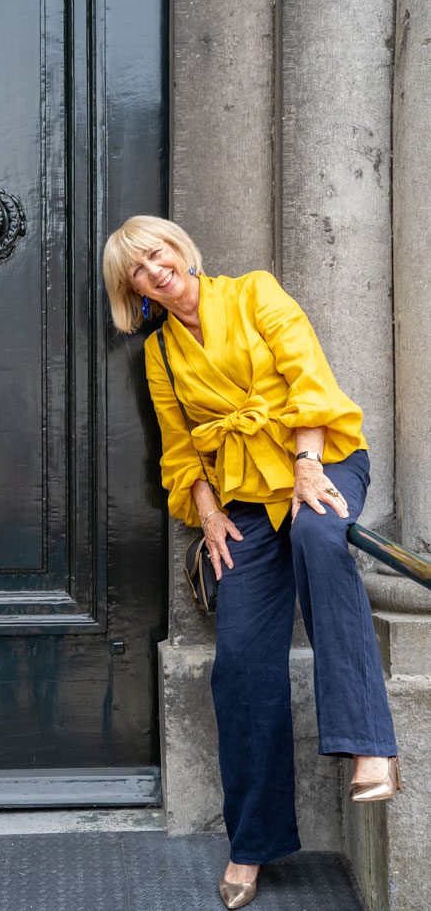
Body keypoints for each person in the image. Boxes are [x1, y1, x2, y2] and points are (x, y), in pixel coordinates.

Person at [103, 216, 400, 910]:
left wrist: (306, 467)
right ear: (133, 291)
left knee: (320, 538)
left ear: (179, 250)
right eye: (136, 270)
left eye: (156, 253)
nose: (153, 270)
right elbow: (179, 448)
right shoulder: (160, 353)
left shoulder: (253, 293)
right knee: (238, 661)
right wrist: (208, 515)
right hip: (241, 497)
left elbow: (307, 377)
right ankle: (252, 840)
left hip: (319, 459)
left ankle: (370, 744)